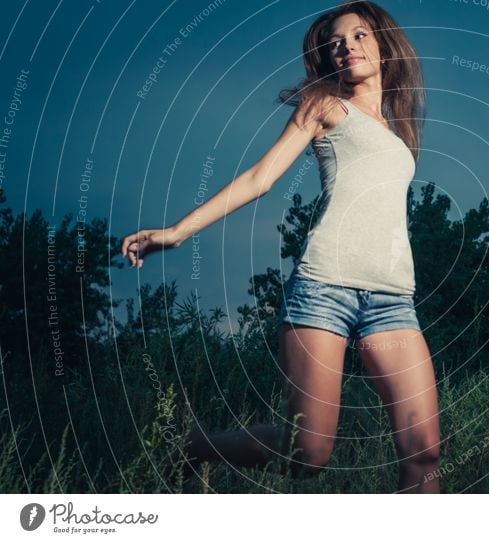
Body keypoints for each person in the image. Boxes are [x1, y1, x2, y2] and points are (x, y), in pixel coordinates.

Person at [120, 0, 441, 493]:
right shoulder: (325, 105)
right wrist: (177, 232)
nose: (346, 48)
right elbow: (259, 178)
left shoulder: (399, 130)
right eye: (335, 44)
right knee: (307, 453)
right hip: (323, 290)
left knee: (424, 451)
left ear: (383, 44)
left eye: (357, 36)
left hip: (393, 300)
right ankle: (195, 447)